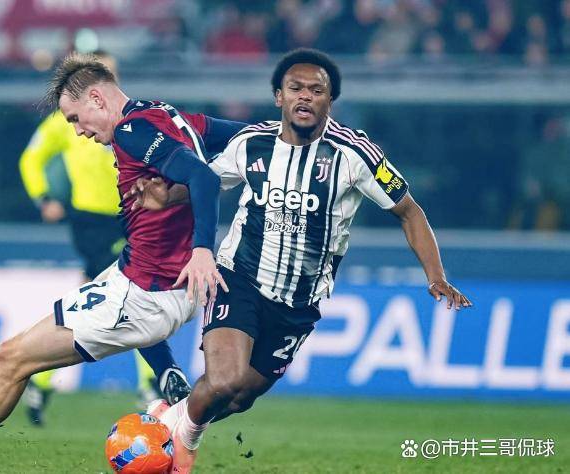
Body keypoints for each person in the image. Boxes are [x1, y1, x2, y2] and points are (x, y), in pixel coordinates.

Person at [0, 53, 246, 473]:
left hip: (146, 292)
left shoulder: (132, 131)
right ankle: (167, 379)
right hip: (147, 282)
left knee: (11, 359)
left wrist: (202, 249)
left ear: (97, 98)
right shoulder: (165, 114)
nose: (79, 131)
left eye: (75, 118)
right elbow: (243, 137)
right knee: (21, 351)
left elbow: (203, 178)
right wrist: (291, 137)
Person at [128, 48, 473, 472]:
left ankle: (168, 418)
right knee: (225, 379)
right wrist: (166, 196)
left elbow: (409, 210)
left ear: (330, 101)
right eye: (295, 88)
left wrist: (435, 275)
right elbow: (206, 182)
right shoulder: (251, 143)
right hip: (239, 278)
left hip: (299, 304)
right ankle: (180, 454)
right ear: (279, 97)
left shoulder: (356, 154)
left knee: (239, 398)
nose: (305, 96)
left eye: (316, 90)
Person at [18, 50, 191, 425]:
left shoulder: (131, 120)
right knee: (135, 294)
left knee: (97, 297)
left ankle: (40, 379)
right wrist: (43, 197)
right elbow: (30, 159)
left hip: (133, 214)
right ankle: (152, 383)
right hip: (93, 221)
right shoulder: (64, 121)